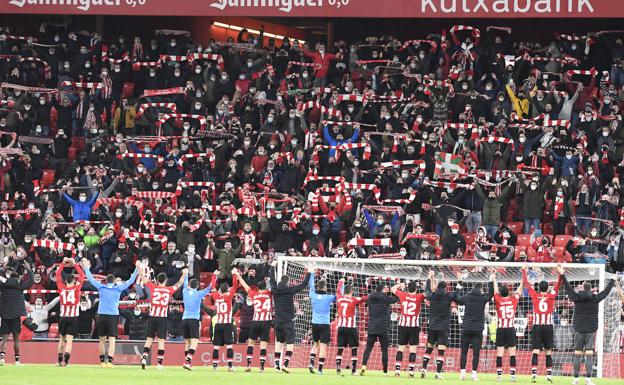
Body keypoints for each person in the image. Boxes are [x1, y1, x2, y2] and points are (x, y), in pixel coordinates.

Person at [559, 265, 615, 385]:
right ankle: (588, 380)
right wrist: (612, 280)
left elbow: (568, 288)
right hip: (590, 330)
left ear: (583, 288)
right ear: (591, 290)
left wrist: (562, 274)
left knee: (577, 354)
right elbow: (605, 292)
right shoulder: (595, 298)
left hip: (579, 330)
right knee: (589, 355)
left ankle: (575, 379)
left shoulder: (577, 297)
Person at [84, 258, 140, 367]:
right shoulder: (118, 288)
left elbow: (90, 279)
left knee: (102, 339)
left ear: (106, 281)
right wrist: (137, 269)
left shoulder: (101, 287)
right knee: (112, 339)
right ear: (114, 281)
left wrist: (86, 268)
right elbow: (130, 281)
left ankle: (101, 362)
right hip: (113, 316)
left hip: (101, 315)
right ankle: (109, 361)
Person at [139, 268, 187, 370]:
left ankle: (144, 358)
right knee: (161, 341)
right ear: (165, 281)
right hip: (162, 318)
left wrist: (139, 267)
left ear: (157, 280)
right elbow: (180, 283)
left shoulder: (153, 287)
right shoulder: (169, 290)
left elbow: (143, 279)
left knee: (149, 340)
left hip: (152, 317)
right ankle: (159, 364)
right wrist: (184, 273)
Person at [522, 265, 563, 383]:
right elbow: (558, 285)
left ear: (539, 287)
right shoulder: (551, 295)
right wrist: (560, 273)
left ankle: (534, 374)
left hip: (537, 327)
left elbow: (526, 283)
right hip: (548, 327)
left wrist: (524, 270)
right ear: (547, 288)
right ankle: (549, 376)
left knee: (535, 351)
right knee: (548, 352)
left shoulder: (534, 295)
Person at [269, 260, 311, 373]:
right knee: (290, 343)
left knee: (279, 343)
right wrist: (309, 273)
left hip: (277, 321)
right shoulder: (290, 290)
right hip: (288, 321)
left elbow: (272, 280)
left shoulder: (274, 290)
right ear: (288, 282)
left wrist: (272, 267)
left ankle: (277, 365)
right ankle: (286, 364)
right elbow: (304, 285)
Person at [454, 271, 495, 381]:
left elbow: (456, 298)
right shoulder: (482, 298)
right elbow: (491, 294)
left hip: (466, 328)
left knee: (464, 352)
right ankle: (474, 374)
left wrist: (460, 283)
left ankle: (462, 373)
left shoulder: (467, 297)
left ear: (473, 288)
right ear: (481, 289)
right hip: (477, 329)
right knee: (476, 353)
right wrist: (491, 280)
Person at [422, 270, 457, 379]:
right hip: (443, 327)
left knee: (429, 348)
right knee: (441, 351)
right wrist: (460, 282)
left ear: (438, 286)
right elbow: (457, 295)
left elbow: (427, 290)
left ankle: (423, 368)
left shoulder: (432, 295)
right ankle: (438, 373)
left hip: (432, 326)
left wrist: (429, 277)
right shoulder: (448, 296)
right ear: (446, 287)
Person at [236, 273, 273, 372]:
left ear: (257, 288)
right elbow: (274, 285)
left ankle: (248, 365)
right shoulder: (269, 294)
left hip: (256, 321)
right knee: (263, 346)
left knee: (251, 344)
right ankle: (261, 367)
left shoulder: (253, 294)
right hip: (266, 322)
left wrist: (238, 275)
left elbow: (244, 284)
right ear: (265, 287)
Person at [492, 271, 524, 382]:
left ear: (501, 293)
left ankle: (499, 376)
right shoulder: (513, 300)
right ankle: (513, 376)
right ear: (509, 292)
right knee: (512, 354)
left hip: (501, 329)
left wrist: (494, 278)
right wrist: (523, 278)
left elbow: (495, 290)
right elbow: (520, 289)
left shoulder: (498, 300)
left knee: (499, 353)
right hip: (510, 329)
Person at [0, 262, 34, 366]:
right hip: (15, 316)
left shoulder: (3, 284)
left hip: (5, 315)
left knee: (4, 340)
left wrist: (3, 267)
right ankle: (17, 361)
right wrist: (28, 269)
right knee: (16, 340)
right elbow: (31, 281)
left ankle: (2, 359)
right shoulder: (20, 285)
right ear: (18, 278)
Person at [360, 283, 398, 376]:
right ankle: (385, 372)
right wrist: (394, 291)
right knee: (384, 350)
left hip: (372, 327)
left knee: (368, 349)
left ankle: (363, 366)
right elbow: (397, 299)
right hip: (383, 327)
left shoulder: (370, 297)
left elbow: (364, 301)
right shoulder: (385, 298)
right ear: (383, 289)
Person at [54, 258, 85, 367]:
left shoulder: (61, 287)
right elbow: (82, 275)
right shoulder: (77, 288)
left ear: (65, 281)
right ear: (74, 281)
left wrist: (63, 263)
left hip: (63, 316)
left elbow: (57, 274)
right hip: (73, 317)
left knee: (61, 340)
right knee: (69, 341)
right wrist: (75, 264)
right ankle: (66, 362)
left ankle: (58, 361)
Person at [391, 280, 426, 377]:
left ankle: (397, 370)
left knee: (401, 348)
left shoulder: (403, 295)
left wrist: (400, 285)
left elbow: (393, 289)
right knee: (413, 349)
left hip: (403, 325)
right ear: (416, 289)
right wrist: (424, 285)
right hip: (413, 326)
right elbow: (429, 292)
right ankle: (411, 371)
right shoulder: (419, 296)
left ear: (408, 288)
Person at [335, 277, 368, 376]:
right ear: (352, 291)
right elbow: (363, 299)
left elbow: (337, 290)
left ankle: (338, 368)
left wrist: (341, 281)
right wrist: (373, 295)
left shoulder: (340, 298)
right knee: (353, 348)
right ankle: (353, 371)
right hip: (351, 328)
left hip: (341, 327)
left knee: (340, 348)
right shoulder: (354, 300)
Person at [209, 268, 240, 371]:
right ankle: (230, 366)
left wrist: (214, 276)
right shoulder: (228, 296)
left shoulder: (216, 296)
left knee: (216, 347)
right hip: (227, 324)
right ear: (227, 289)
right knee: (229, 346)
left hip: (218, 324)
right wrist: (234, 274)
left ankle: (214, 366)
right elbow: (235, 286)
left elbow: (212, 286)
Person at [181, 270, 213, 371]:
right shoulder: (199, 294)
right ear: (197, 286)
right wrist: (215, 276)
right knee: (194, 342)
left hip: (185, 319)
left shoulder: (185, 291)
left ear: (190, 285)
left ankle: (187, 363)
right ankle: (187, 362)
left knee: (187, 343)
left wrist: (185, 273)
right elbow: (210, 287)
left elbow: (184, 283)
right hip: (194, 319)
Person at [308, 271, 337, 375]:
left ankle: (311, 363)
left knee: (315, 344)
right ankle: (320, 369)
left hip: (314, 323)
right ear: (325, 288)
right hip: (324, 324)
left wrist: (311, 274)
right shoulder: (329, 297)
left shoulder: (313, 295)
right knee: (323, 346)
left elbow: (311, 285)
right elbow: (338, 296)